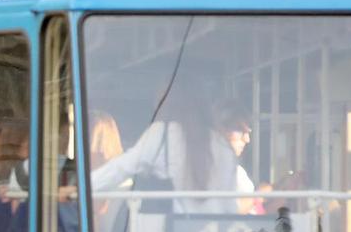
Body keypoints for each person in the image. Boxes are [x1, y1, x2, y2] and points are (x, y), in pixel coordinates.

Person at [89, 89, 247, 215]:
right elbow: (230, 207)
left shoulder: (161, 134)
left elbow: (121, 168)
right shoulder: (222, 145)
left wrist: (80, 188)